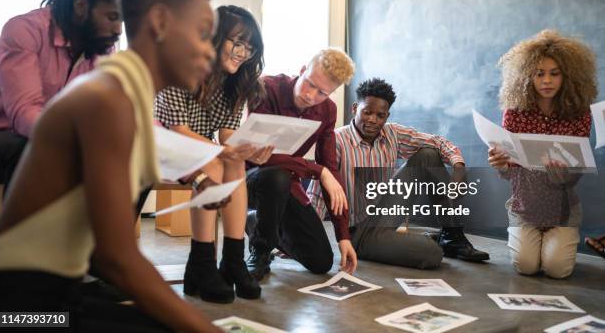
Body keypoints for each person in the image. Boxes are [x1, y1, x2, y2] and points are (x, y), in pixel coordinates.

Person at [0, 0, 225, 332]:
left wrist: (195, 175)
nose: (209, 52)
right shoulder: (102, 96)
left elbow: (143, 125)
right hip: (18, 316)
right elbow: (119, 257)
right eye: (202, 33)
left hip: (57, 295)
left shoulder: (110, 76)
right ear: (160, 22)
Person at [155, 5, 272, 303]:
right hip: (157, 143)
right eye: (237, 42)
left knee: (232, 159)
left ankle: (232, 260)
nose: (243, 52)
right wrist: (226, 151)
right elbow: (179, 132)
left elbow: (228, 135)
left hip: (196, 147)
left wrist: (247, 150)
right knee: (216, 162)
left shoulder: (235, 81)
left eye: (249, 47)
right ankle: (203, 262)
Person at [0, 0, 124, 193]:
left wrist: (196, 170)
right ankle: (23, 236)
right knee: (34, 148)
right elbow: (24, 113)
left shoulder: (101, 52)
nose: (119, 29)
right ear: (80, 5)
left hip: (49, 137)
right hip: (2, 135)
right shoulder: (24, 32)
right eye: (112, 17)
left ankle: (98, 235)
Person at [309, 78, 489, 267]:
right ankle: (426, 242)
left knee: (428, 154)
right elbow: (318, 192)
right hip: (358, 231)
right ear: (355, 108)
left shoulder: (392, 133)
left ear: (387, 115)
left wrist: (459, 167)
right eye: (367, 112)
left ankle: (453, 237)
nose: (372, 120)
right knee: (431, 254)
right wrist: (306, 234)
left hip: (385, 212)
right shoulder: (336, 141)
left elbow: (437, 142)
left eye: (380, 115)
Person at [488, 29, 597, 278]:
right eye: (539, 74)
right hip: (524, 206)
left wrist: (562, 176)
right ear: (528, 76)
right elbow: (509, 174)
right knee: (526, 266)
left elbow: (575, 173)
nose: (546, 80)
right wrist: (501, 165)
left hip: (562, 209)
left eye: (554, 74)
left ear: (567, 76)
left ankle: (558, 241)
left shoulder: (579, 114)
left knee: (556, 270)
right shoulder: (515, 112)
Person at [245, 48, 358, 280]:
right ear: (303, 70)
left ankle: (257, 221)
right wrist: (319, 171)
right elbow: (259, 153)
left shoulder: (327, 111)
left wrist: (343, 235)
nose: (310, 96)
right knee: (276, 176)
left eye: (322, 93)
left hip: (287, 185)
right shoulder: (267, 88)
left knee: (321, 261)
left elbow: (330, 166)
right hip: (248, 177)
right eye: (310, 84)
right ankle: (261, 250)